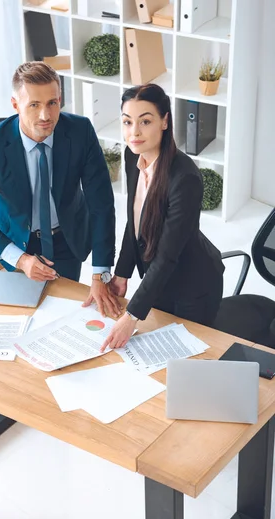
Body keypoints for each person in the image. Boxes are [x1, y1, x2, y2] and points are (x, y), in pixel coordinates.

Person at [0, 61, 121, 317]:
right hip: (15, 241)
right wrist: (20, 259)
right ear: (16, 105)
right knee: (21, 317)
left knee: (65, 313)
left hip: (68, 239)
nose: (45, 116)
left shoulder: (80, 132)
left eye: (52, 103)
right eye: (34, 105)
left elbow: (101, 205)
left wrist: (100, 274)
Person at [101, 84, 224, 351]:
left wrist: (131, 316)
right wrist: (122, 274)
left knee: (182, 361)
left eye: (145, 121)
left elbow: (168, 255)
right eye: (127, 121)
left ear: (165, 121)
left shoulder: (185, 178)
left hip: (193, 288)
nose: (134, 132)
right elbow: (135, 221)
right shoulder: (133, 154)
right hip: (159, 281)